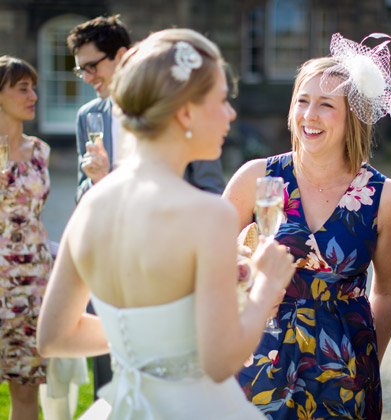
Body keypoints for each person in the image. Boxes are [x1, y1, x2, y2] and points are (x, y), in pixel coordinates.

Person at [37, 28, 294, 419]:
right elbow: (220, 362)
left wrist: (144, 339)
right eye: (222, 100)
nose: (231, 113)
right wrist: (266, 287)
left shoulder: (91, 205)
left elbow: (53, 336)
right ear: (186, 112)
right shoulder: (210, 214)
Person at [224, 33, 391, 419]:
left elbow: (388, 292)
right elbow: (209, 261)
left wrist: (364, 362)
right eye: (302, 101)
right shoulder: (255, 178)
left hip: (343, 369)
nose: (309, 115)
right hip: (258, 355)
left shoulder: (387, 199)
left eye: (326, 105)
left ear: (353, 115)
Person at [68, 15, 226, 204]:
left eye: (92, 67)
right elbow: (81, 199)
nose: (86, 78)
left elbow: (213, 189)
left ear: (121, 56)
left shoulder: (170, 107)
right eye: (81, 71)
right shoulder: (87, 116)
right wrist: (95, 180)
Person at [0, 56, 52, 420]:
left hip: (33, 286)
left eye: (33, 87)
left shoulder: (40, 152)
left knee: (25, 389)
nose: (33, 95)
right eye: (23, 88)